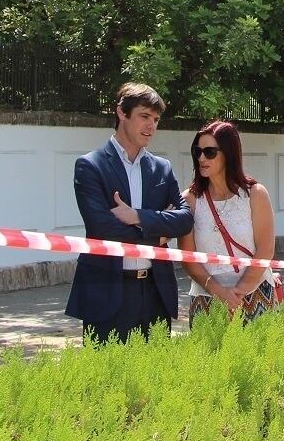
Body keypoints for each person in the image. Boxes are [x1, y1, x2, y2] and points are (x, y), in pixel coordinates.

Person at [64, 82, 192, 344]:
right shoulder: (91, 166)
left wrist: (138, 216)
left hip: (156, 292)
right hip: (108, 291)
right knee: (106, 379)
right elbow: (104, 229)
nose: (151, 126)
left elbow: (185, 219)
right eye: (144, 116)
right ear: (122, 112)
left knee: (155, 379)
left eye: (156, 119)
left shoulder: (162, 168)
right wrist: (158, 235)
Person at [178, 120, 280, 324]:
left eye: (209, 152)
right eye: (197, 151)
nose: (201, 158)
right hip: (206, 300)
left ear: (229, 153)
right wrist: (221, 294)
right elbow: (188, 258)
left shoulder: (255, 194)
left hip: (256, 295)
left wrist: (238, 293)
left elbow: (265, 250)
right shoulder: (189, 199)